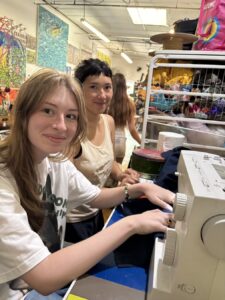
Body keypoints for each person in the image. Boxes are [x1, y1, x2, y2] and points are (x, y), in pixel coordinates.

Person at [0, 68, 174, 299]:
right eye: (48, 111)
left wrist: (139, 188)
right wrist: (130, 224)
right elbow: (44, 276)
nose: (61, 126)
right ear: (23, 114)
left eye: (70, 116)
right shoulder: (4, 180)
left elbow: (95, 196)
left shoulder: (55, 162)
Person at [65, 59, 139, 244]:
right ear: (78, 89)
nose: (102, 95)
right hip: (70, 221)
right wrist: (125, 192)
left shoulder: (109, 122)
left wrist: (121, 174)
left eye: (107, 87)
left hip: (96, 214)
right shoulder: (70, 130)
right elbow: (68, 186)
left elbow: (110, 161)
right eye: (93, 87)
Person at [108, 72, 142, 164]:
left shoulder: (106, 101)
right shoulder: (129, 103)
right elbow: (132, 129)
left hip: (106, 140)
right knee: (118, 173)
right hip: (120, 142)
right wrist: (142, 143)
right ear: (124, 87)